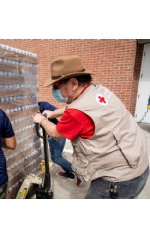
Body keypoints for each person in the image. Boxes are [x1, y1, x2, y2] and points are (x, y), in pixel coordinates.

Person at [33, 55, 149, 199]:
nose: (55, 91)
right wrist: (54, 113)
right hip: (138, 165)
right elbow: (79, 107)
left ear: (74, 83)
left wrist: (41, 120)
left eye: (57, 87)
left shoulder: (77, 112)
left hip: (117, 179)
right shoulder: (97, 90)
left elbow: (56, 133)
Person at [38, 102, 74, 180]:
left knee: (56, 158)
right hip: (54, 134)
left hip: (56, 134)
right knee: (58, 156)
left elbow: (58, 112)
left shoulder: (43, 105)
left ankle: (74, 171)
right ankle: (70, 172)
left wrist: (48, 116)